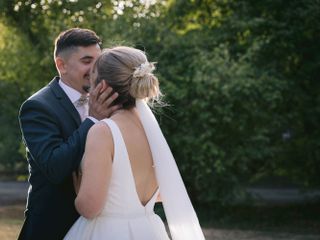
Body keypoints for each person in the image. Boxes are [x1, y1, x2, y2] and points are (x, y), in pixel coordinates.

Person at [64, 46, 206, 240]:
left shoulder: (103, 131)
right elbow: (163, 192)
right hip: (149, 230)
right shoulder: (150, 130)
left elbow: (90, 208)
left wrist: (79, 185)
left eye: (92, 79)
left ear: (102, 86)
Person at [18, 28, 119, 240]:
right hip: (53, 227)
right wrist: (92, 119)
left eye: (98, 61)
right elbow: (55, 167)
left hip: (102, 225)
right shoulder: (37, 107)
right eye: (86, 60)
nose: (95, 69)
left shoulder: (111, 100)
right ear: (61, 65)